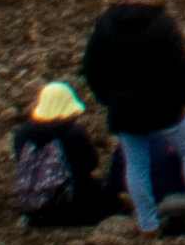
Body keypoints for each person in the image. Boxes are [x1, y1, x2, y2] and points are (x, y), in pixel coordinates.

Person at [82, 0, 185, 234]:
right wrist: (180, 100)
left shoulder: (105, 23)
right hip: (166, 106)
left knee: (136, 164)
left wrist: (108, 99)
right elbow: (182, 66)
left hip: (124, 108)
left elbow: (91, 67)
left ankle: (147, 224)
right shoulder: (163, 22)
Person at [11, 79, 116, 229]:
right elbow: (91, 163)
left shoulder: (22, 133)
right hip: (70, 206)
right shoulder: (73, 133)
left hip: (33, 207)